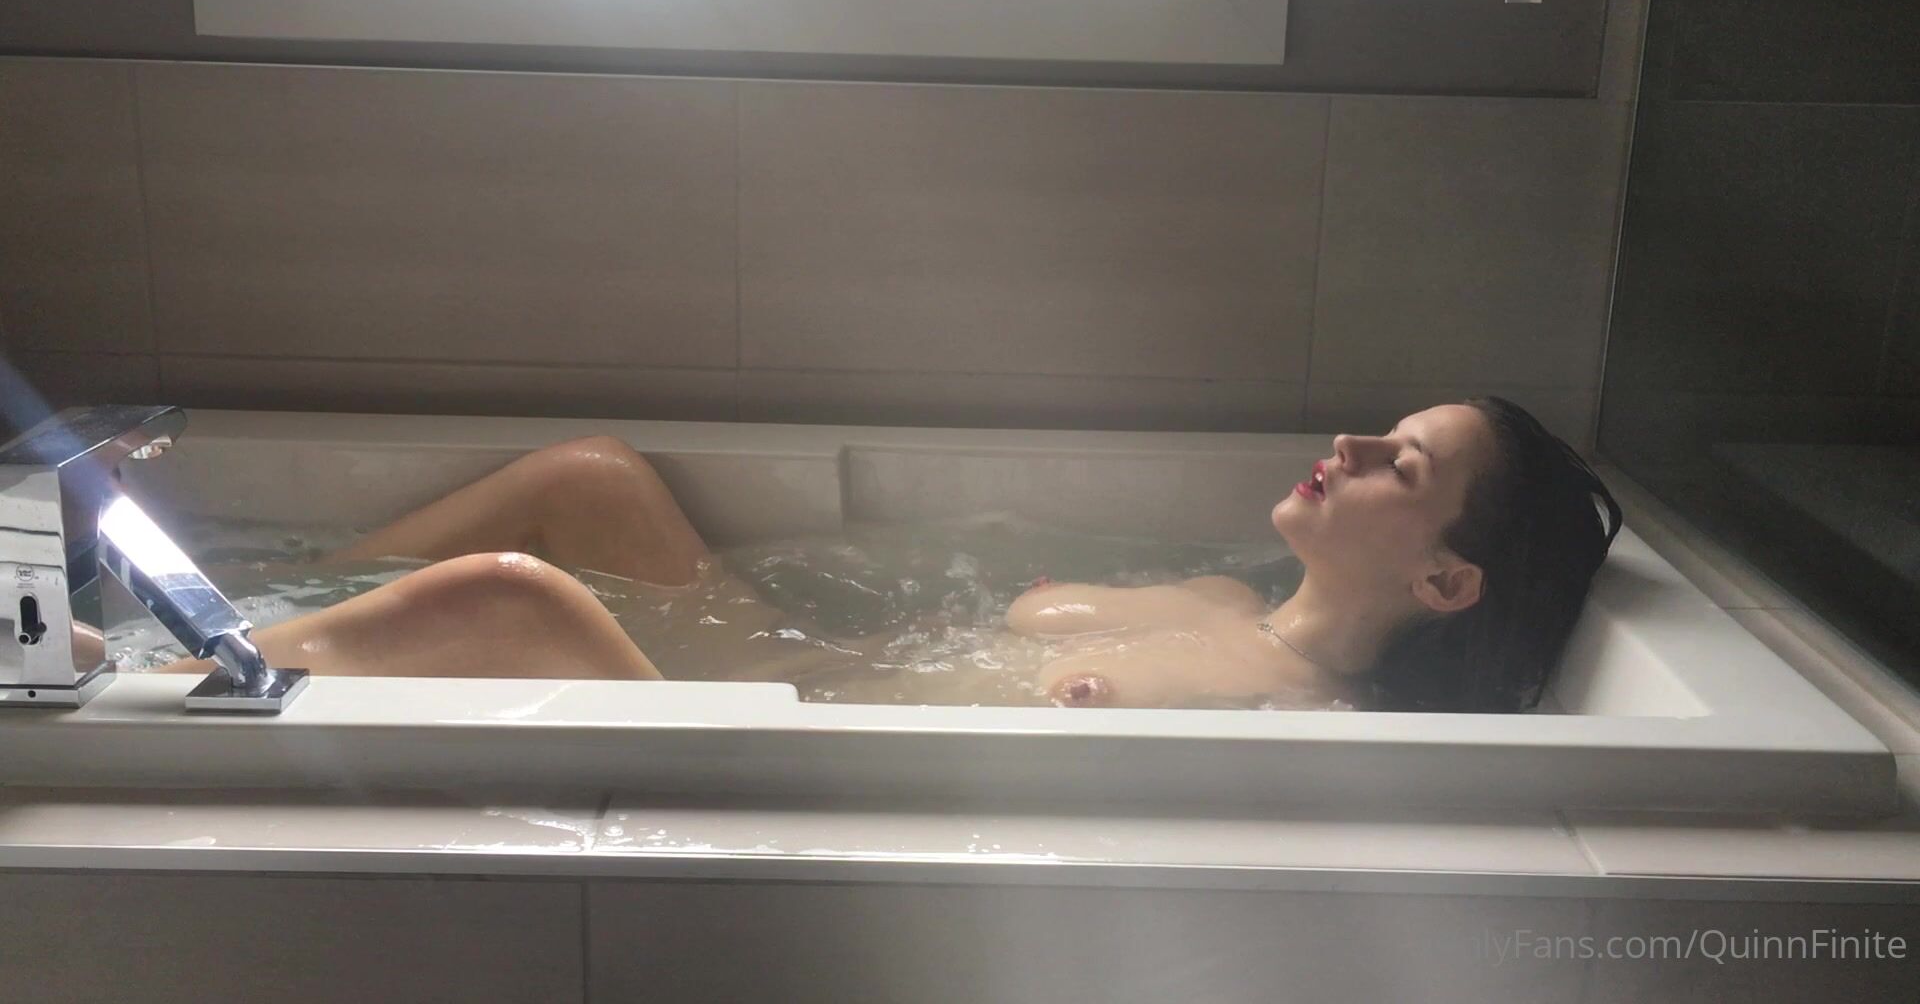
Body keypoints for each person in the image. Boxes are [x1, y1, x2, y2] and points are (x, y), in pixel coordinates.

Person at [135, 397, 1621, 713]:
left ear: (1445, 583)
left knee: (503, 600)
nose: (1349, 444)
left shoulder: (1309, 723)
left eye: (1400, 465)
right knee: (589, 480)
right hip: (808, 669)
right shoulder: (1219, 595)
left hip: (774, 758)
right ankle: (247, 602)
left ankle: (147, 677)